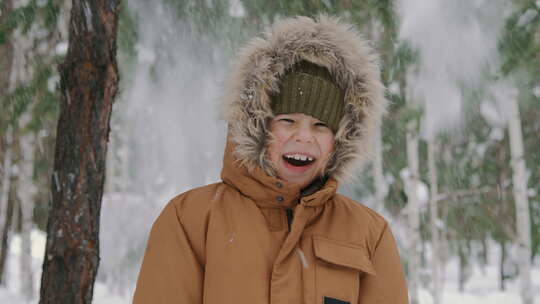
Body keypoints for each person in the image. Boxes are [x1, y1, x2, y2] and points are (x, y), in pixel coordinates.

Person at [133, 15, 409, 304]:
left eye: (321, 126)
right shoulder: (191, 220)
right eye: (287, 120)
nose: (304, 137)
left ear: (341, 140)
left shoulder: (369, 235)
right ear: (258, 125)